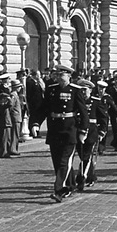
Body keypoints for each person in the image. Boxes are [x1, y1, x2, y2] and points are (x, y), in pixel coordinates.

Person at [29, 65, 88, 202]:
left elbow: (84, 113)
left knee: (64, 161)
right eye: (58, 75)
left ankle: (58, 190)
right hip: (55, 130)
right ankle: (70, 185)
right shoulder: (51, 90)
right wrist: (36, 123)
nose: (59, 78)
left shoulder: (75, 91)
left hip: (70, 130)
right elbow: (44, 108)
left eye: (62, 75)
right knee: (57, 161)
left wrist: (83, 131)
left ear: (69, 76)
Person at [76, 79, 109, 190]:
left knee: (87, 156)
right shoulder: (77, 101)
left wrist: (102, 131)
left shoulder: (96, 102)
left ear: (90, 90)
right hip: (78, 131)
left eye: (85, 90)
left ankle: (81, 178)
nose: (83, 93)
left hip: (91, 132)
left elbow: (103, 118)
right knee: (82, 156)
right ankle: (91, 176)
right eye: (81, 90)